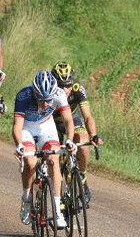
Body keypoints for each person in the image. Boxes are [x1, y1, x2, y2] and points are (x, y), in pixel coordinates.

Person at [13, 70, 75, 229]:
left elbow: (68, 121)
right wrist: (19, 144)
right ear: (34, 93)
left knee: (54, 160)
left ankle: (57, 210)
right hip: (27, 128)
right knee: (30, 162)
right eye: (41, 100)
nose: (45, 104)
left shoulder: (59, 94)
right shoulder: (23, 96)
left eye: (48, 100)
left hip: (46, 126)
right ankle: (27, 198)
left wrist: (69, 140)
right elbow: (17, 127)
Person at [51, 61, 103, 203]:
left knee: (83, 144)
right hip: (53, 123)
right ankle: (58, 195)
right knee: (54, 158)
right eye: (60, 85)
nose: (65, 89)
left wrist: (93, 135)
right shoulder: (48, 89)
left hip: (73, 121)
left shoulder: (78, 89)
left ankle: (83, 178)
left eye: (68, 84)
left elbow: (87, 116)